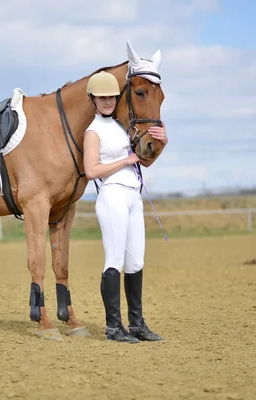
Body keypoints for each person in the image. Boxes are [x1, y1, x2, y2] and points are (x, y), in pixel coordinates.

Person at [83, 70, 168, 343]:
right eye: (102, 97)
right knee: (115, 261)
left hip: (133, 196)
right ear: (93, 100)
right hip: (112, 197)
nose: (108, 102)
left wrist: (162, 142)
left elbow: (142, 157)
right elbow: (91, 170)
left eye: (111, 97)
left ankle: (137, 324)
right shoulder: (93, 131)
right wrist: (125, 160)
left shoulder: (123, 127)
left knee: (136, 262)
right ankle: (113, 327)